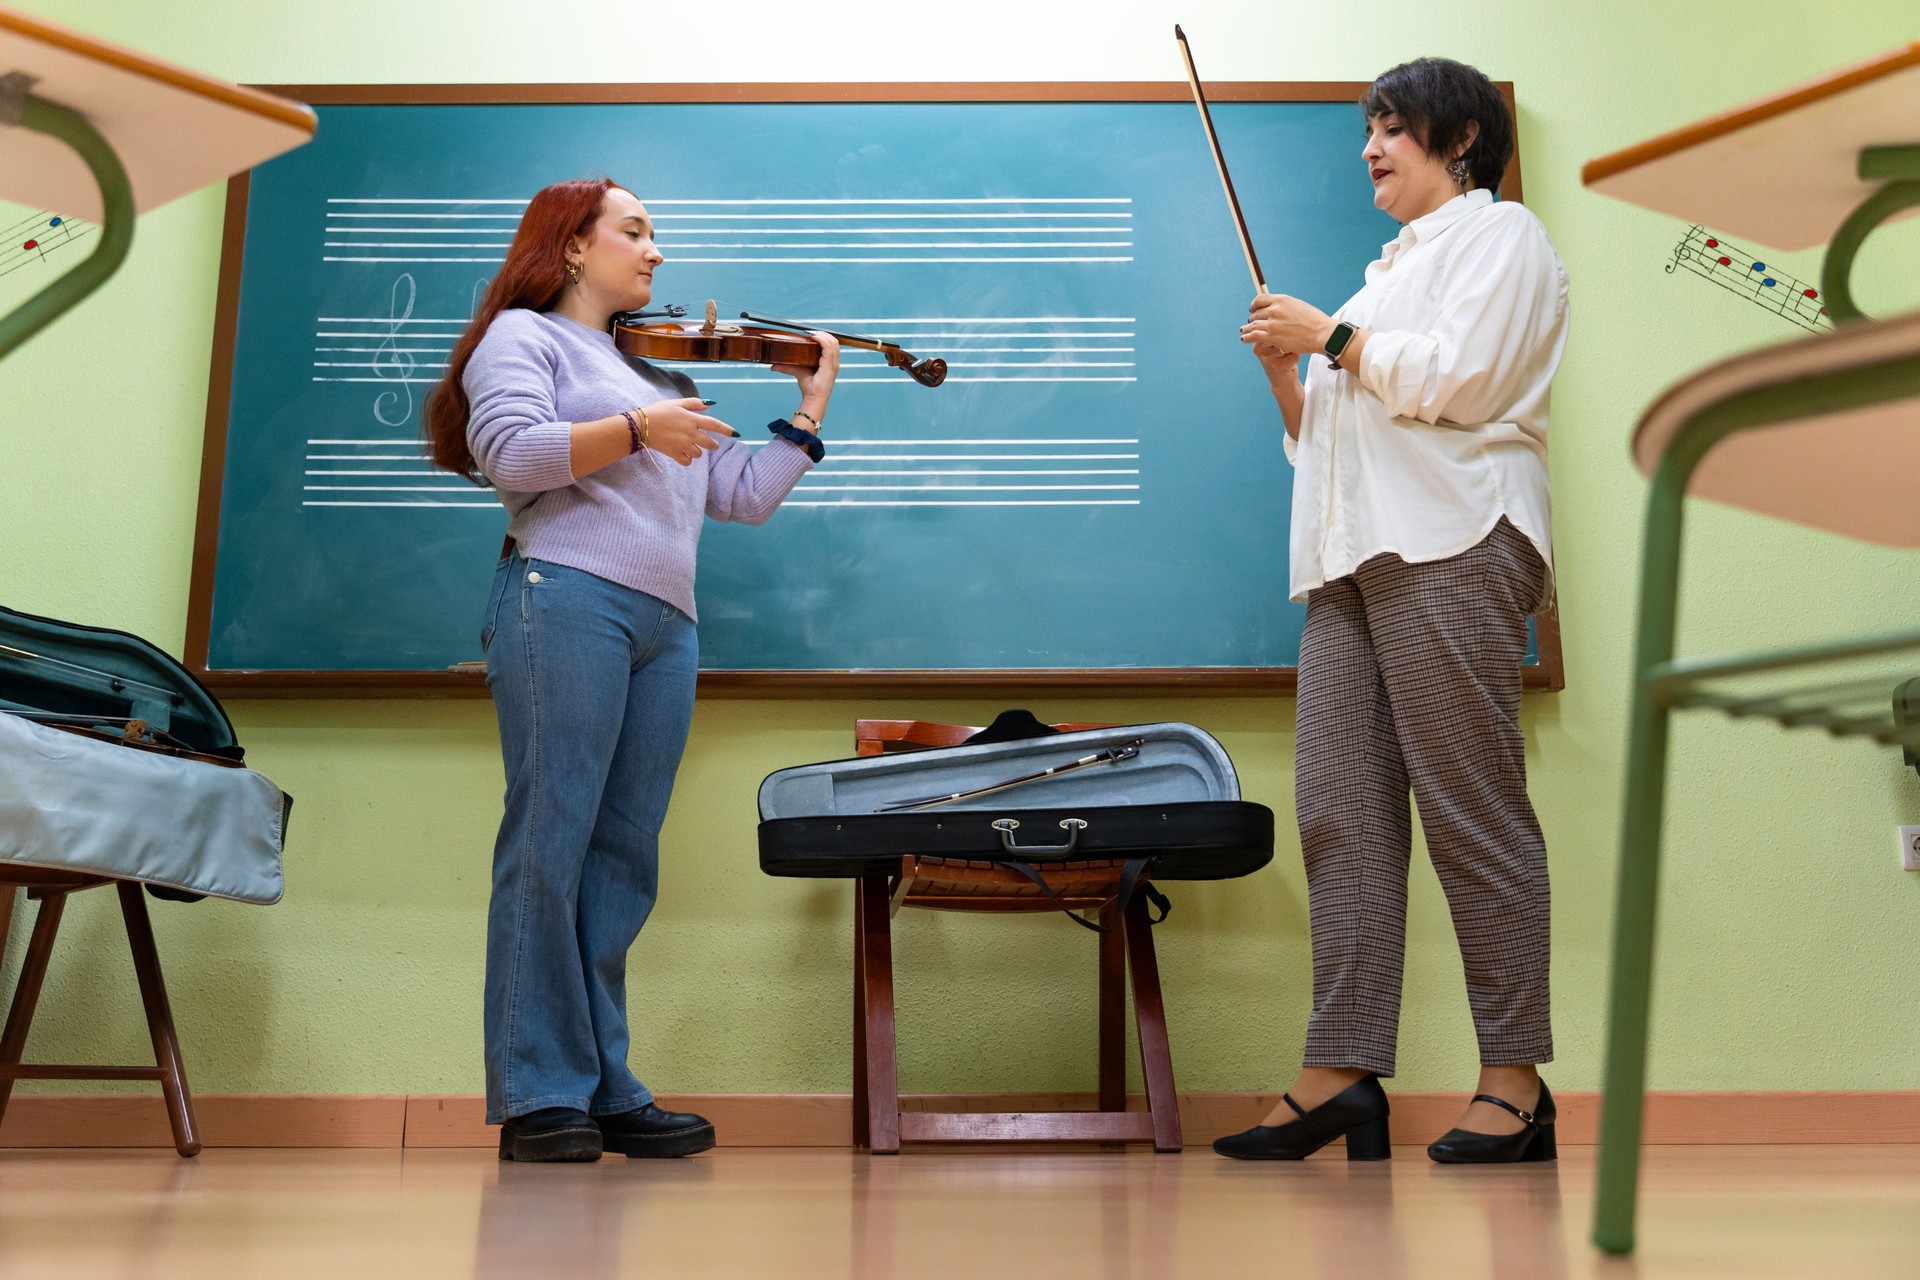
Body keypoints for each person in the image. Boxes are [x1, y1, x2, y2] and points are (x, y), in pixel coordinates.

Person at [424, 178, 839, 1162]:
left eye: (655, 234)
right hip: (566, 594)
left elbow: (737, 494)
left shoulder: (650, 372)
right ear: (572, 245)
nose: (656, 251)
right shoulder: (522, 338)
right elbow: (513, 455)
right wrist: (640, 430)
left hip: (666, 624)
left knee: (621, 858)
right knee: (550, 841)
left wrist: (808, 410)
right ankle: (539, 1093)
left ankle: (605, 1086)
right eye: (635, 231)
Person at [1214, 57, 1570, 1164]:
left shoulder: (1504, 236)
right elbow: (1325, 438)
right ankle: (1342, 1070)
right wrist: (1291, 368)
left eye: (1392, 128)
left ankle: (1514, 1082)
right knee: (1340, 813)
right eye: (1368, 130)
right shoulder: (1377, 283)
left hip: (1452, 539)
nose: (1370, 148)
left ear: (1459, 140)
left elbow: (1461, 383)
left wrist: (1328, 338)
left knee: (1472, 812)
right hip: (1350, 562)